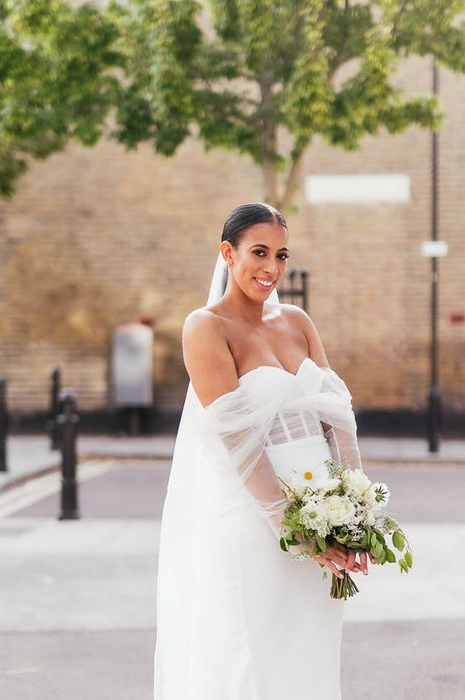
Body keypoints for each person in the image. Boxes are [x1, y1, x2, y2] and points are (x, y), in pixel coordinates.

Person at [154, 203, 370, 700]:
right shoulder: (205, 328)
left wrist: (357, 514)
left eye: (281, 255)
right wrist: (294, 529)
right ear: (228, 254)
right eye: (259, 252)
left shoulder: (297, 321)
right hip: (254, 521)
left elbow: (337, 416)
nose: (271, 268)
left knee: (307, 654)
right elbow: (236, 437)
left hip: (325, 514)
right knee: (252, 656)